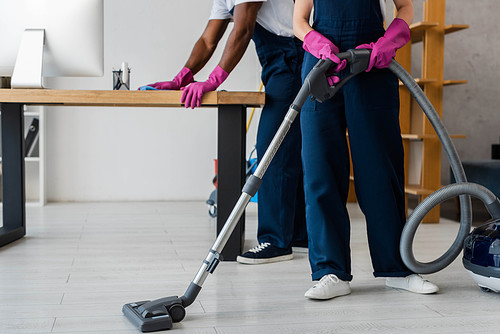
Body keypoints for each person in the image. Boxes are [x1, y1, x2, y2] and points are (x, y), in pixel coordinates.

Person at [140, 0, 308, 264]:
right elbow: (208, 40)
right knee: (287, 145)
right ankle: (299, 236)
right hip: (281, 60)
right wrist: (183, 76)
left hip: (295, 55)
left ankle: (276, 241)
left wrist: (213, 80)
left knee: (273, 148)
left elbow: (242, 29)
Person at [293, 0, 439, 299]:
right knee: (321, 169)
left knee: (379, 170)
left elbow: (406, 7)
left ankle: (398, 268)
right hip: (322, 65)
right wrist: (315, 42)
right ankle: (329, 272)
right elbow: (299, 19)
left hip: (372, 60)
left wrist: (390, 40)